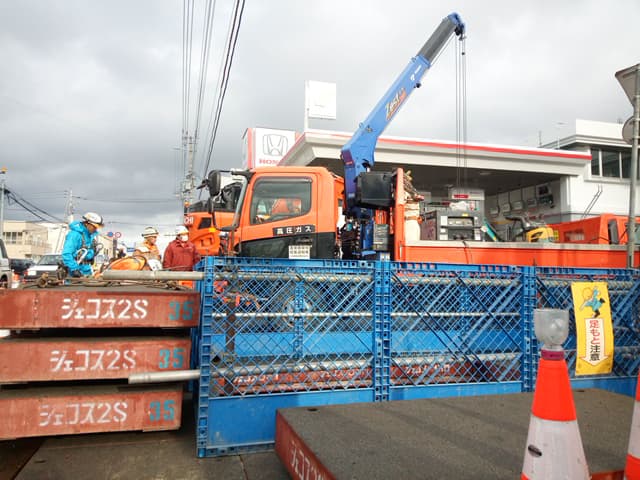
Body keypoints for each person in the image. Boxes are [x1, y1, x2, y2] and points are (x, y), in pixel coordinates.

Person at [61, 211, 104, 277]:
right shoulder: (74, 235)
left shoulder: (89, 236)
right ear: (87, 223)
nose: (95, 229)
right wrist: (74, 269)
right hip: (75, 272)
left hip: (86, 270)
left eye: (97, 227)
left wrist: (91, 255)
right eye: (94, 227)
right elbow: (66, 253)